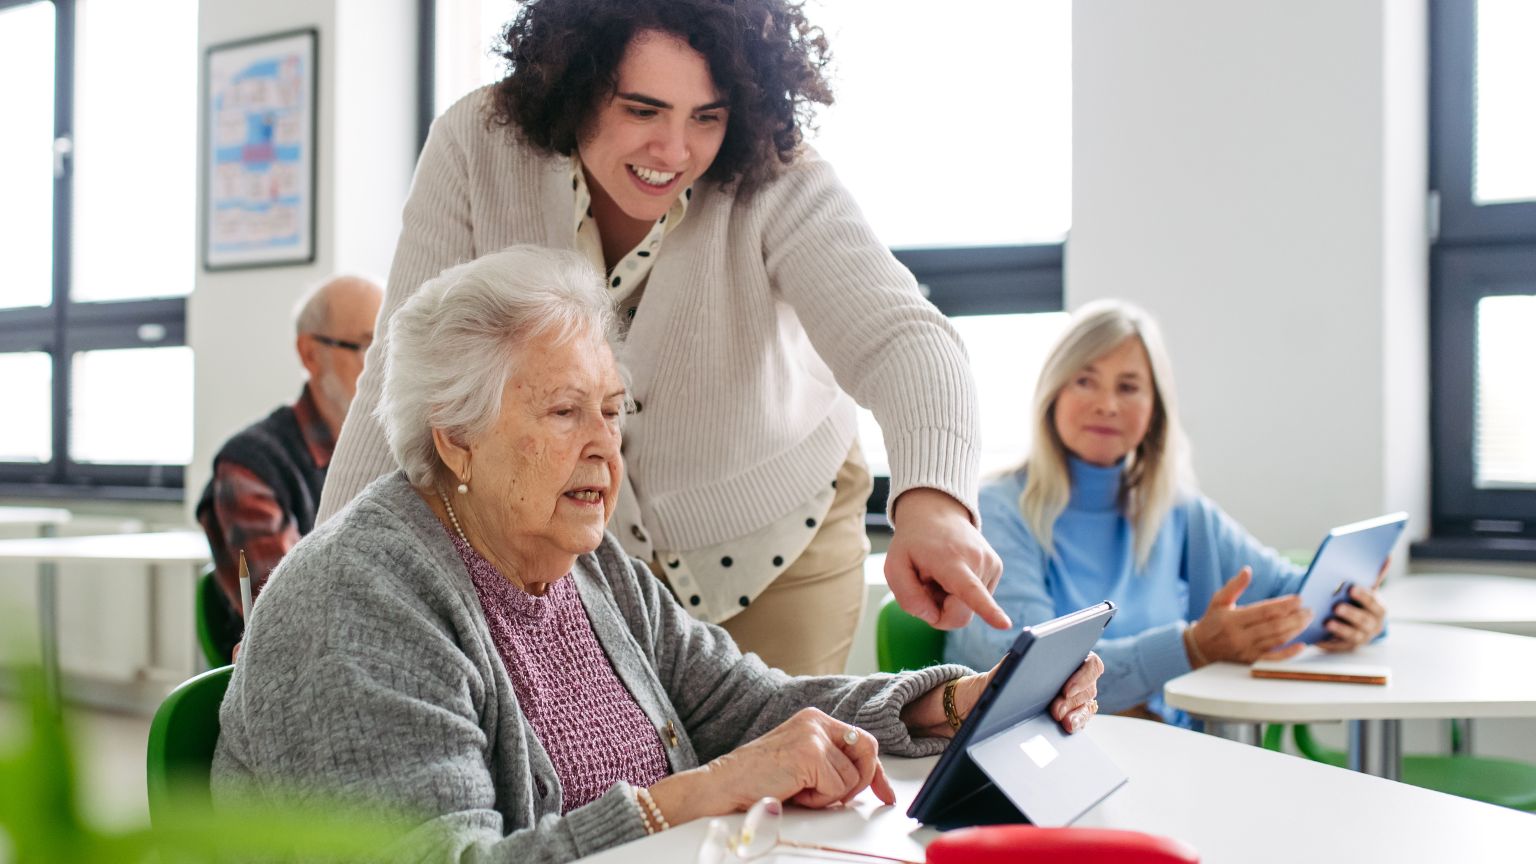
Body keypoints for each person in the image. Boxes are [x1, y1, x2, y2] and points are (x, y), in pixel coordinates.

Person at [212, 247, 1103, 862]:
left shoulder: (585, 564)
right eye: (565, 412)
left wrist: (958, 701)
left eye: (613, 408)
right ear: (456, 439)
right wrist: (701, 792)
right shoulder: (357, 600)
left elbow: (748, 706)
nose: (605, 444)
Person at [314, 0, 1010, 675]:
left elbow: (902, 338)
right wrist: (320, 582)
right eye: (641, 109)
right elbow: (401, 378)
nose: (674, 150)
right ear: (573, 81)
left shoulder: (776, 174)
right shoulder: (476, 145)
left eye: (707, 117)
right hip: (582, 555)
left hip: (778, 535)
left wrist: (936, 503)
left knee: (779, 775)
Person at [945, 300, 1387, 724]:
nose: (1107, 404)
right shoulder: (999, 512)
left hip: (1172, 747)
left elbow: (1292, 596)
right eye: (1085, 380)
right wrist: (1191, 648)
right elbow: (1023, 671)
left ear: (1154, 409)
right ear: (1052, 392)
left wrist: (1355, 616)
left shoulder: (1179, 511)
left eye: (1129, 387)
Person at [195, 274, 382, 653]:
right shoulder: (249, 465)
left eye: (390, 349)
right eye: (367, 346)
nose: (383, 368)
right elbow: (296, 609)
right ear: (310, 354)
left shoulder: (392, 452)